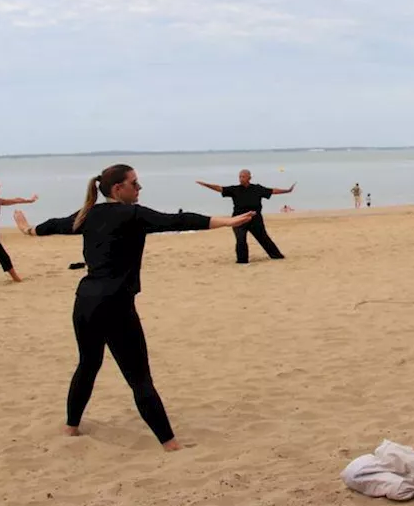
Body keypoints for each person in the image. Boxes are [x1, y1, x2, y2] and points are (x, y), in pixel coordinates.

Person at [13, 164, 253, 451]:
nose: (139, 189)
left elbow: (54, 225)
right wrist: (225, 222)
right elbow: (176, 221)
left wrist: (28, 229)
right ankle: (170, 445)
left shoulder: (88, 214)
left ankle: (71, 427)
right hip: (116, 305)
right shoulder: (133, 215)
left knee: (88, 364)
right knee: (139, 377)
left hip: (85, 301)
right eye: (135, 184)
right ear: (118, 189)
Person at [196, 170, 295, 263]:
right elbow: (219, 188)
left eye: (243, 177)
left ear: (249, 178)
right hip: (238, 219)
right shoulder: (235, 189)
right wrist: (206, 185)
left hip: (255, 219)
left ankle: (276, 256)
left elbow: (272, 191)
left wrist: (287, 190)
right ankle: (242, 261)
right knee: (240, 239)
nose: (241, 179)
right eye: (240, 177)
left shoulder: (257, 188)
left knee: (264, 238)